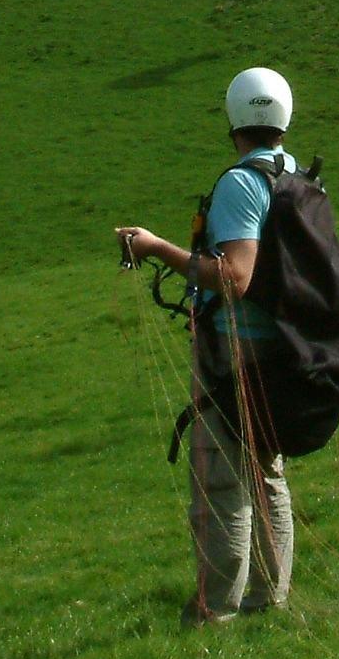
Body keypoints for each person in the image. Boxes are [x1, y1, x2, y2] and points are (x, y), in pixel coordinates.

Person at [116, 67, 298, 628]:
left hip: (235, 352)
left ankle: (216, 611)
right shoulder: (295, 175)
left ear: (233, 119)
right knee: (267, 472)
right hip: (283, 349)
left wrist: (156, 248)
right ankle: (272, 598)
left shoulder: (243, 183)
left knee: (222, 483)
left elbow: (235, 276)